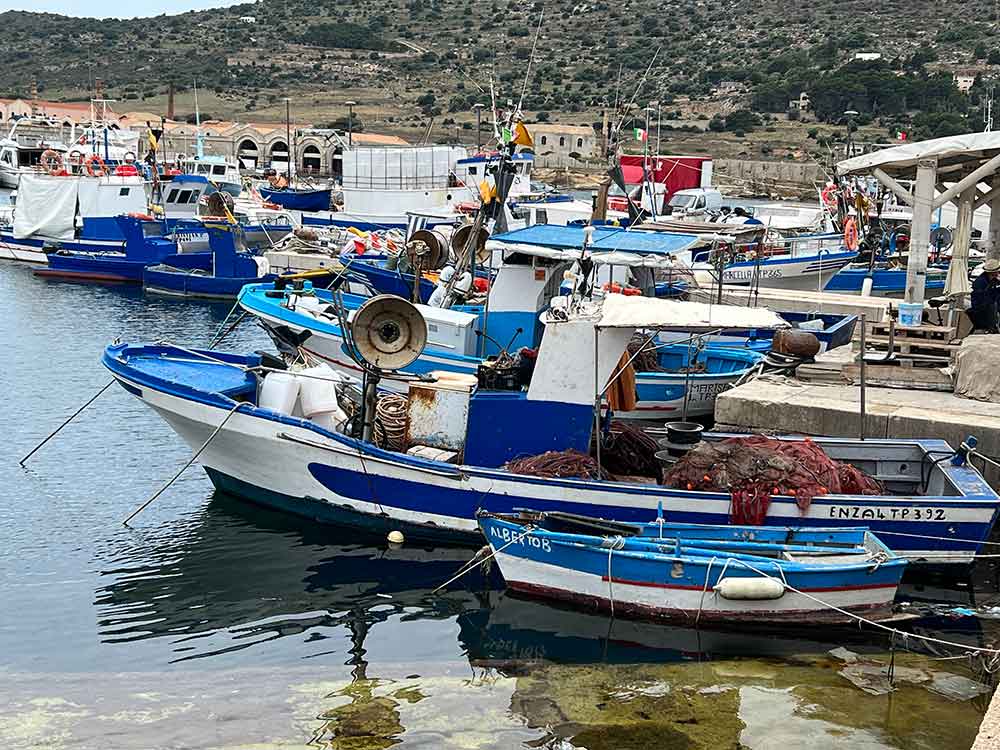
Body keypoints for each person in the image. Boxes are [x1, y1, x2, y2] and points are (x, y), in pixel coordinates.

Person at [970, 259, 1000, 332]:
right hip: (981, 310)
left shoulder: (993, 279)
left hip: (989, 307)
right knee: (993, 305)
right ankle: (992, 328)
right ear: (993, 272)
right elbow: (983, 301)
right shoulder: (980, 282)